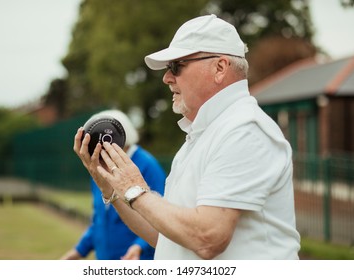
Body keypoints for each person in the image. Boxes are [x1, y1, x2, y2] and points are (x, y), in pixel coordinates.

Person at [73, 14, 300, 260]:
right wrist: (112, 187)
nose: (167, 77)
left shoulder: (244, 129)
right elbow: (166, 237)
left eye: (176, 66)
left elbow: (207, 238)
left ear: (220, 68)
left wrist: (135, 189)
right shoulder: (206, 132)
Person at [63, 109, 166, 260]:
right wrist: (79, 251)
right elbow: (99, 217)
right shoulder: (100, 165)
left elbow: (161, 216)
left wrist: (140, 246)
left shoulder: (146, 165)